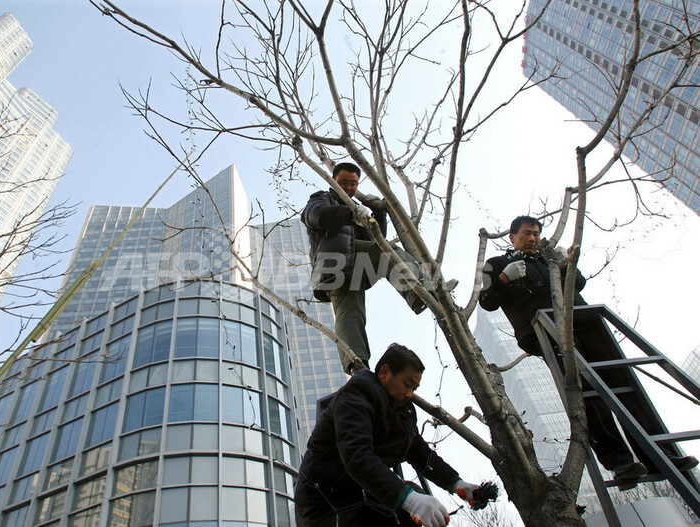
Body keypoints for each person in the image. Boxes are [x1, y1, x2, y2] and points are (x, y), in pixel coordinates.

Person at [479, 215, 697, 489]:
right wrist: (503, 278)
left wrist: (566, 265)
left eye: (536, 233)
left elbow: (578, 283)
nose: (532, 238)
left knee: (623, 382)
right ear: (512, 237)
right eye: (526, 233)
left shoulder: (547, 259)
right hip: (545, 329)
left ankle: (661, 453)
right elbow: (486, 301)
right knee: (585, 392)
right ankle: (619, 461)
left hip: (584, 319)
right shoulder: (497, 264)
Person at [295, 344, 480, 527]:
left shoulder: (403, 413)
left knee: (412, 498)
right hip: (324, 506)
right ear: (384, 372)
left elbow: (421, 454)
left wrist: (457, 484)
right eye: (407, 384)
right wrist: (410, 500)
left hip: (358, 499)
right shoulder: (355, 396)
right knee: (408, 500)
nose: (409, 394)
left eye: (414, 388)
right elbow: (356, 455)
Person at [302, 162, 455, 374]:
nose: (348, 188)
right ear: (333, 182)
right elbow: (315, 215)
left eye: (353, 184)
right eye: (343, 182)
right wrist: (352, 212)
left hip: (354, 267)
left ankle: (357, 366)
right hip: (334, 264)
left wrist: (378, 213)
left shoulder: (359, 209)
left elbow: (377, 239)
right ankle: (418, 291)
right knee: (385, 257)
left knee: (350, 312)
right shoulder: (322, 198)